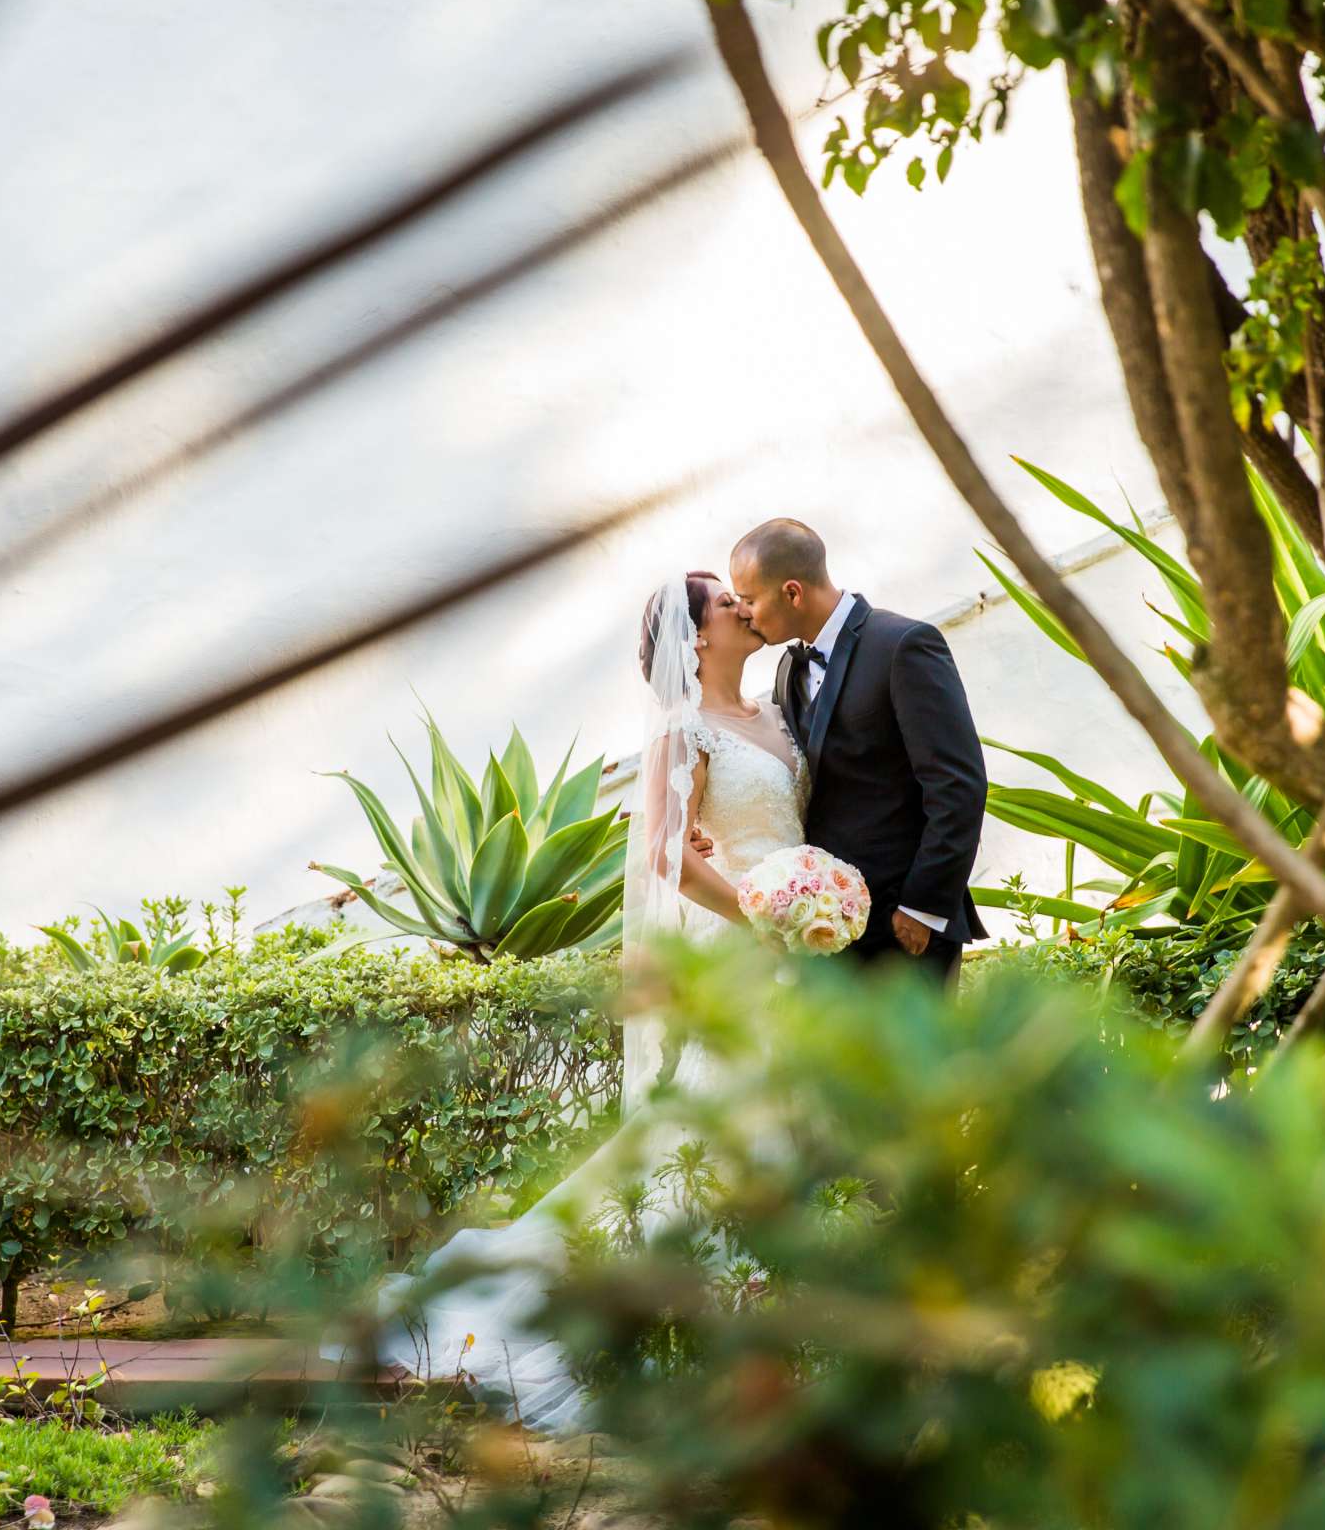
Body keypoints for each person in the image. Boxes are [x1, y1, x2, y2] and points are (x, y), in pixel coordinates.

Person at [363, 570, 806, 1432]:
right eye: (725, 603)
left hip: (802, 942)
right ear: (695, 639)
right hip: (746, 946)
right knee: (726, 1120)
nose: (745, 608)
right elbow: (670, 858)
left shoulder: (782, 716)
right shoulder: (683, 731)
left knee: (780, 1115)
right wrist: (758, 916)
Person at [728, 518, 988, 982]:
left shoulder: (903, 645)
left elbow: (958, 785)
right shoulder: (790, 668)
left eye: (749, 599)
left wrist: (923, 906)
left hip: (906, 930)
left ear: (792, 592)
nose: (744, 612)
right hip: (827, 934)